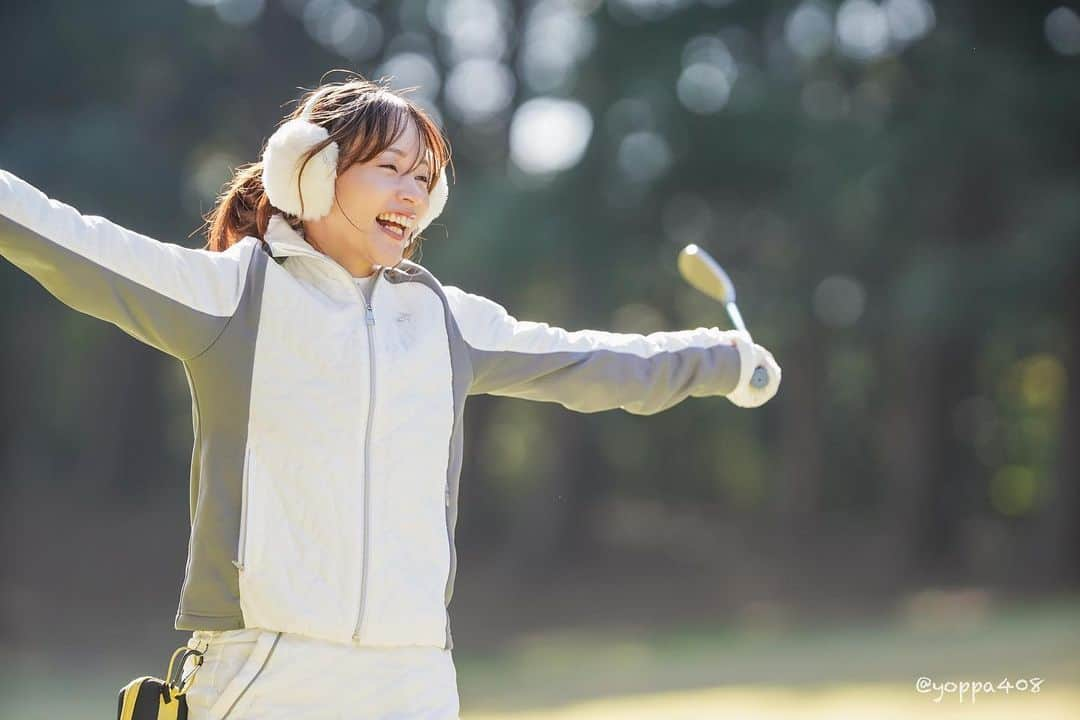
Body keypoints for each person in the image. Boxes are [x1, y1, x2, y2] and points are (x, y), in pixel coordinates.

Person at [0, 73, 781, 719]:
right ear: (308, 171)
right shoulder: (232, 295)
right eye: (389, 169)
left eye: (425, 178)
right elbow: (68, 238)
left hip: (414, 680)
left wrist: (719, 359)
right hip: (268, 677)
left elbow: (586, 361)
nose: (412, 193)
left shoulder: (444, 320)